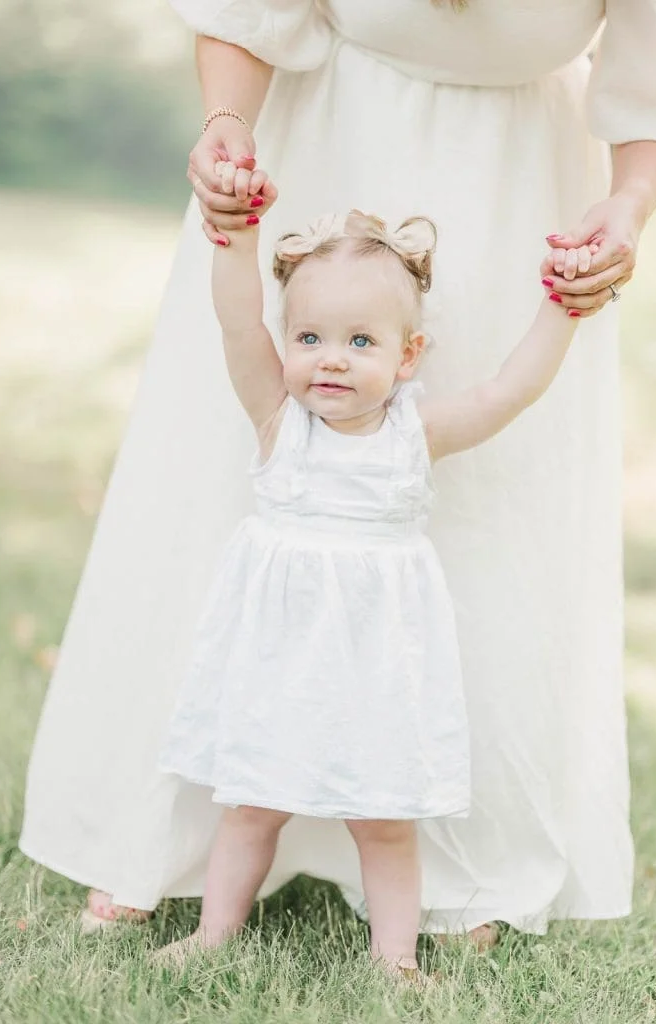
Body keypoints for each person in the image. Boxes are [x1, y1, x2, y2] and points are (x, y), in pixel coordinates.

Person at [20, 1, 656, 943]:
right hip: (324, 127)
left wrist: (627, 206)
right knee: (226, 470)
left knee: (490, 508)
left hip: (516, 175)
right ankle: (165, 833)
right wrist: (227, 133)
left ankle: (459, 858)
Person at [154, 157, 588, 978]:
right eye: (310, 338)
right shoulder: (279, 422)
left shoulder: (411, 439)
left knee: (385, 819)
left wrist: (560, 308)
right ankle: (213, 934)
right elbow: (236, 323)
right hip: (280, 656)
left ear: (409, 354)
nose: (331, 360)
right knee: (252, 802)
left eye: (361, 343)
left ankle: (395, 958)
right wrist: (235, 237)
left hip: (379, 662)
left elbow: (508, 393)